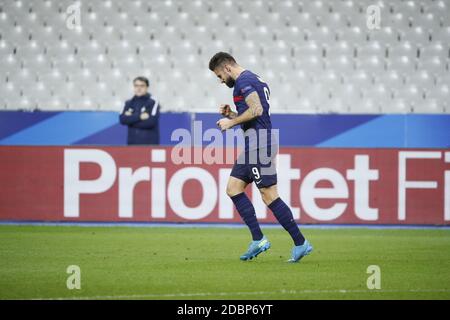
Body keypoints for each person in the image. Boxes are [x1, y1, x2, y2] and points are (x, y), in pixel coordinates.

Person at [209, 52, 313, 263]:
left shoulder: (243, 82)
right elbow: (255, 113)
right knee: (233, 188)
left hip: (260, 143)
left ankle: (300, 243)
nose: (220, 81)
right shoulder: (253, 78)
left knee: (269, 194)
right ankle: (258, 239)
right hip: (253, 143)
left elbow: (256, 110)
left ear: (227, 68)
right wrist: (231, 114)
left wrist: (230, 123)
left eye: (220, 75)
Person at [119, 76, 160, 145]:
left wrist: (130, 120)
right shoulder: (128, 103)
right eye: (136, 86)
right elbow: (122, 120)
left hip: (149, 144)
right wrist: (140, 117)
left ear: (147, 87)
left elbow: (150, 122)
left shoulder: (153, 102)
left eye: (142, 86)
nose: (139, 88)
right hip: (132, 144)